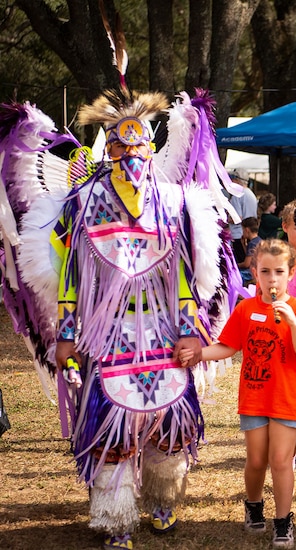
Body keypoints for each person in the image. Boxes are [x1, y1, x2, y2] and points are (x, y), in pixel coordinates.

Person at [0, 88, 239, 549]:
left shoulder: (176, 203)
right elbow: (69, 274)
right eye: (119, 148)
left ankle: (160, 497)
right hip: (107, 336)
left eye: (138, 146)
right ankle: (116, 518)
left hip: (165, 333)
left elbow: (188, 272)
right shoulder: (81, 203)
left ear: (151, 148)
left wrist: (191, 332)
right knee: (113, 432)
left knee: (168, 428)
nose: (130, 156)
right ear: (107, 151)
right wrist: (66, 335)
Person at [179, 239, 296, 548]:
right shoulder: (246, 308)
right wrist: (200, 353)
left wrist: (292, 321)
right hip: (255, 397)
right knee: (256, 460)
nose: (272, 279)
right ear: (254, 272)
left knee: (281, 460)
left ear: (291, 274)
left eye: (279, 272)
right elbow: (229, 345)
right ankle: (254, 504)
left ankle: (283, 522)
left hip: (288, 399)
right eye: (265, 271)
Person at [228, 177, 259, 264]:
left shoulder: (237, 195)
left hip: (239, 234)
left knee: (241, 260)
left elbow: (237, 218)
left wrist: (225, 219)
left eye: (232, 179)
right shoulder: (251, 194)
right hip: (249, 233)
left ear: (237, 180)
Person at [238, 217, 262, 286]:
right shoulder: (259, 240)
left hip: (251, 273)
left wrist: (236, 265)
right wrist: (244, 244)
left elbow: (247, 264)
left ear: (247, 230)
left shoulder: (252, 243)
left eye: (243, 230)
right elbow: (250, 257)